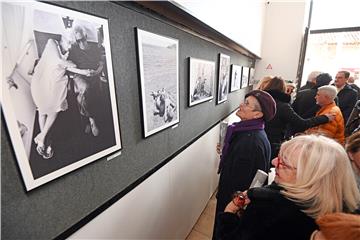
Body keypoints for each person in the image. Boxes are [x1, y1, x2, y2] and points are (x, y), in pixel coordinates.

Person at [215, 135, 360, 240]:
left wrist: (230, 211)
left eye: (282, 163)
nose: (273, 161)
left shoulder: (269, 207)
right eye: (278, 156)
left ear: (308, 176)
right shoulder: (346, 215)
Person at [213, 90, 276, 239]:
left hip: (233, 202)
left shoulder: (250, 142)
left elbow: (239, 182)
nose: (241, 105)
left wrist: (231, 208)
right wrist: (227, 152)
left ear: (257, 115)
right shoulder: (249, 132)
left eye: (247, 104)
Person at [260, 76, 333, 159]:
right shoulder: (283, 106)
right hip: (273, 143)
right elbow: (302, 123)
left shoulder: (260, 101)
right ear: (283, 89)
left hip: (258, 139)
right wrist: (324, 118)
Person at [31, 37, 77, 159]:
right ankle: (44, 138)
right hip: (43, 81)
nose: (69, 46)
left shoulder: (65, 53)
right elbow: (59, 61)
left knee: (50, 106)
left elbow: (68, 67)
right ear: (62, 39)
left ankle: (42, 139)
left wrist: (70, 66)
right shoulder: (52, 42)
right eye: (68, 42)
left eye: (71, 44)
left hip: (55, 82)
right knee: (49, 107)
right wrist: (68, 64)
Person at [67, 25, 105, 137]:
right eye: (78, 40)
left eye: (83, 39)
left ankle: (87, 118)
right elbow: (68, 67)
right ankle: (92, 120)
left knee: (86, 95)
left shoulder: (95, 48)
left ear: (86, 36)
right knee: (86, 88)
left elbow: (101, 64)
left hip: (93, 74)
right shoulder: (73, 49)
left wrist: (97, 72)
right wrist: (83, 72)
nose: (81, 43)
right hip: (80, 75)